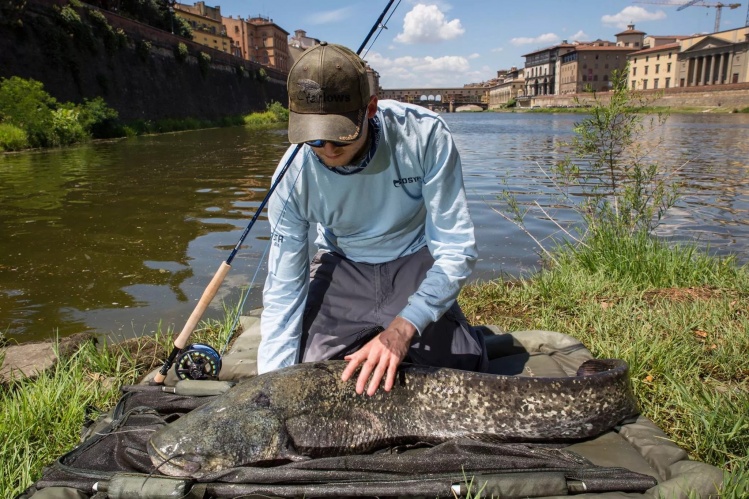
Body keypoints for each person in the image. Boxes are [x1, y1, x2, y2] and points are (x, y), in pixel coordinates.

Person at [259, 42, 488, 396]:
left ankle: (429, 325)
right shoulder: (292, 176)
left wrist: (402, 329)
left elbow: (456, 248)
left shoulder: (425, 135)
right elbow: (285, 287)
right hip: (343, 262)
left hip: (413, 257)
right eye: (315, 139)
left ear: (370, 108)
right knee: (309, 370)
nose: (329, 150)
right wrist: (270, 389)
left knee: (461, 363)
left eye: (341, 136)